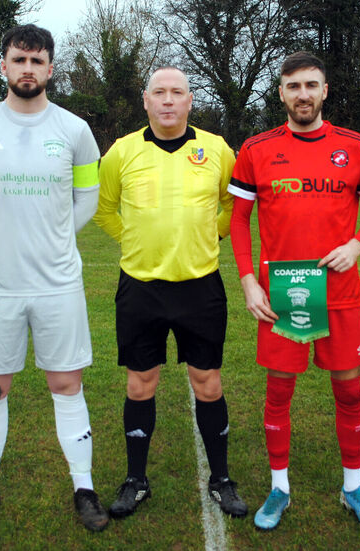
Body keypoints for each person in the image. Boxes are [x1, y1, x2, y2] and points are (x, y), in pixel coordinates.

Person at [0, 25, 108, 533]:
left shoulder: (76, 130)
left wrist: (55, 235)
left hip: (58, 283)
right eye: (19, 60)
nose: (27, 69)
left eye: (37, 62)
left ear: (51, 69)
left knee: (66, 383)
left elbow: (88, 197)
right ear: (4, 65)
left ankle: (84, 487)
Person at [229, 51, 360, 531]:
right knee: (279, 393)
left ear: (325, 91)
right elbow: (239, 219)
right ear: (281, 92)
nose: (303, 94)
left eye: (312, 85)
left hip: (340, 295)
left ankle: (353, 486)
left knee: (350, 391)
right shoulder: (257, 149)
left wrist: (357, 245)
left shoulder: (355, 146)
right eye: (294, 86)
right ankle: (279, 489)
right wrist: (247, 279)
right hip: (281, 295)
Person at [93, 66, 247, 520]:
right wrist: (135, 240)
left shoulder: (216, 149)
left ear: (189, 100)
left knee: (209, 382)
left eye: (176, 92)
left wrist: (211, 237)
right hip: (140, 288)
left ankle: (221, 479)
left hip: (201, 288)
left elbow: (233, 203)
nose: (167, 100)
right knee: (141, 385)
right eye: (158, 92)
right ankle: (136, 480)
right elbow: (104, 210)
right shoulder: (121, 152)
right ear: (145, 100)